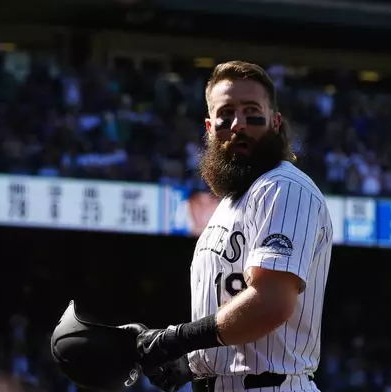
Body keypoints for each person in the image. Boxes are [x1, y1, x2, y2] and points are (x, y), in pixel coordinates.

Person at [125, 61, 334, 392]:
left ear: (275, 122)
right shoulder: (231, 202)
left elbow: (271, 303)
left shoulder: (283, 186)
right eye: (226, 114)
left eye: (252, 111)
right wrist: (190, 365)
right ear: (209, 127)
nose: (238, 124)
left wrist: (176, 339)